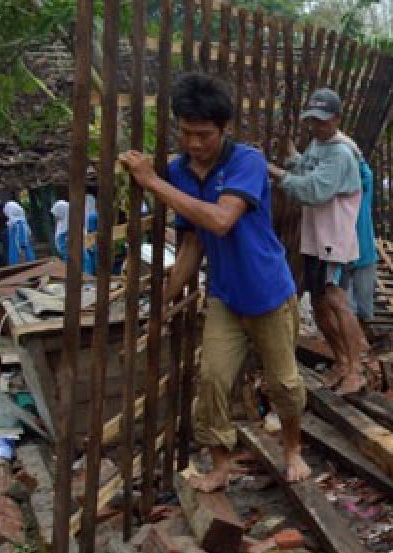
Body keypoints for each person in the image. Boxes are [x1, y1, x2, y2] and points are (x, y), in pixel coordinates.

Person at [119, 71, 309, 490]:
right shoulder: (180, 172)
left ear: (225, 129)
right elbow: (192, 245)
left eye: (203, 135)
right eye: (186, 133)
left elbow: (221, 221)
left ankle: (293, 449)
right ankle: (221, 465)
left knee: (284, 382)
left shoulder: (248, 161)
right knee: (212, 380)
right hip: (224, 295)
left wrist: (152, 183)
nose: (193, 144)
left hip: (268, 292)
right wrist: (164, 300)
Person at [268, 87, 370, 395]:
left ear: (337, 119)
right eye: (312, 121)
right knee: (320, 303)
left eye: (322, 121)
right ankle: (341, 361)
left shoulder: (340, 152)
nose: (317, 126)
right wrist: (291, 160)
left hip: (334, 240)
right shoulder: (318, 145)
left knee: (336, 299)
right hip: (316, 239)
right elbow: (308, 168)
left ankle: (356, 369)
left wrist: (276, 174)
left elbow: (315, 190)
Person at [349, 150, 379, 345]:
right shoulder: (334, 193)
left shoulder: (362, 188)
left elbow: (366, 172)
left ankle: (362, 342)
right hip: (344, 255)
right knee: (348, 307)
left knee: (364, 307)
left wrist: (357, 154)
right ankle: (358, 345)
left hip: (364, 254)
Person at [83, 195, 99, 276]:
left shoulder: (88, 215)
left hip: (90, 240)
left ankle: (91, 276)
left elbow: (89, 230)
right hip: (97, 240)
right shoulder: (96, 214)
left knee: (90, 260)